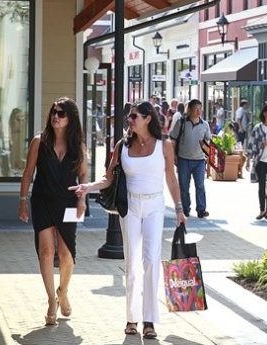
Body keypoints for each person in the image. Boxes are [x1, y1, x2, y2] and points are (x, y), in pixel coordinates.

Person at [70, 101, 185, 339]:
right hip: (130, 207)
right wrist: (87, 187)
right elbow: (108, 178)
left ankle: (149, 320)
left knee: (151, 261)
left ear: (147, 118)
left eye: (134, 116)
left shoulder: (164, 145)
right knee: (132, 263)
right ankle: (132, 318)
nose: (129, 120)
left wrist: (179, 209)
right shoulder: (122, 145)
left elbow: (171, 179)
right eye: (129, 117)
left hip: (154, 206)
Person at [17, 97, 87, 326]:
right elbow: (28, 173)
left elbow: (83, 175)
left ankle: (62, 292)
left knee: (67, 255)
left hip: (69, 202)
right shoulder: (39, 141)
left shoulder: (78, 145)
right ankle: (50, 301)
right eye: (53, 112)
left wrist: (82, 200)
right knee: (46, 251)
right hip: (42, 201)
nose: (55, 116)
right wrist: (22, 200)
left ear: (70, 118)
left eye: (61, 113)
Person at [170, 99, 213, 218]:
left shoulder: (205, 124)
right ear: (189, 110)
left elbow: (208, 140)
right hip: (183, 159)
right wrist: (173, 155)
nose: (198, 111)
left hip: (199, 161)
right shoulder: (181, 122)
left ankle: (201, 209)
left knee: (200, 186)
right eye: (196, 109)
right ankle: (185, 208)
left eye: (200, 109)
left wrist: (207, 154)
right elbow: (173, 139)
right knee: (184, 186)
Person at [9, 108, 27, 174]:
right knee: (14, 152)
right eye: (20, 115)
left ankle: (18, 165)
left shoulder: (21, 120)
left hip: (20, 136)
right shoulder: (13, 121)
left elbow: (22, 127)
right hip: (14, 136)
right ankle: (13, 166)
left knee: (19, 151)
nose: (21, 116)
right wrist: (10, 139)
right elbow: (10, 130)